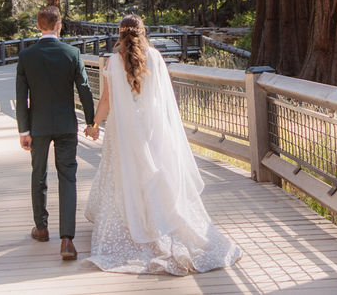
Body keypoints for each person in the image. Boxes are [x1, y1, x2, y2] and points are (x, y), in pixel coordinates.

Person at [82, 14, 242, 275]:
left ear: (119, 35)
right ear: (143, 33)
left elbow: (107, 101)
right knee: (156, 176)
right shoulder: (155, 58)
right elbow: (166, 99)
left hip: (125, 132)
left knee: (130, 178)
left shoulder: (112, 61)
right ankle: (162, 222)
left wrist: (95, 125)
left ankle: (139, 224)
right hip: (153, 129)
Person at [16, 5, 96, 261]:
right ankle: (67, 240)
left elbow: (21, 96)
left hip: (37, 126)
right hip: (65, 126)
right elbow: (84, 89)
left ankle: (41, 228)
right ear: (59, 25)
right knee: (68, 177)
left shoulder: (26, 56)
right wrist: (91, 121)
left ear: (39, 26)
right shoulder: (71, 53)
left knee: (38, 174)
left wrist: (24, 130)